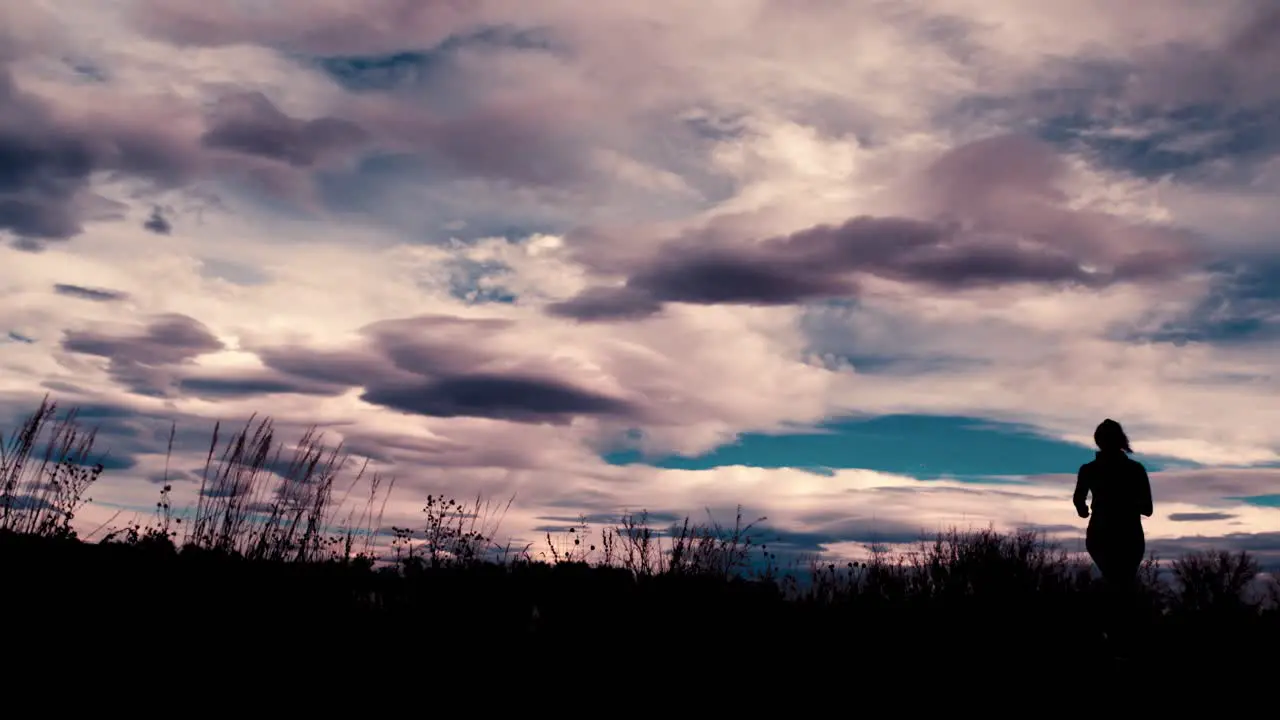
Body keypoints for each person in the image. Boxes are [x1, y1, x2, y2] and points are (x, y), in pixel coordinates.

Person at [1073, 418, 1154, 654]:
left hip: (1111, 535)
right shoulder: (1133, 470)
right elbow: (1147, 508)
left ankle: (1115, 639)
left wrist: (1086, 508)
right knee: (1121, 586)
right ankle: (1121, 640)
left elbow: (1079, 502)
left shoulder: (1091, 470)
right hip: (1120, 536)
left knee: (1118, 585)